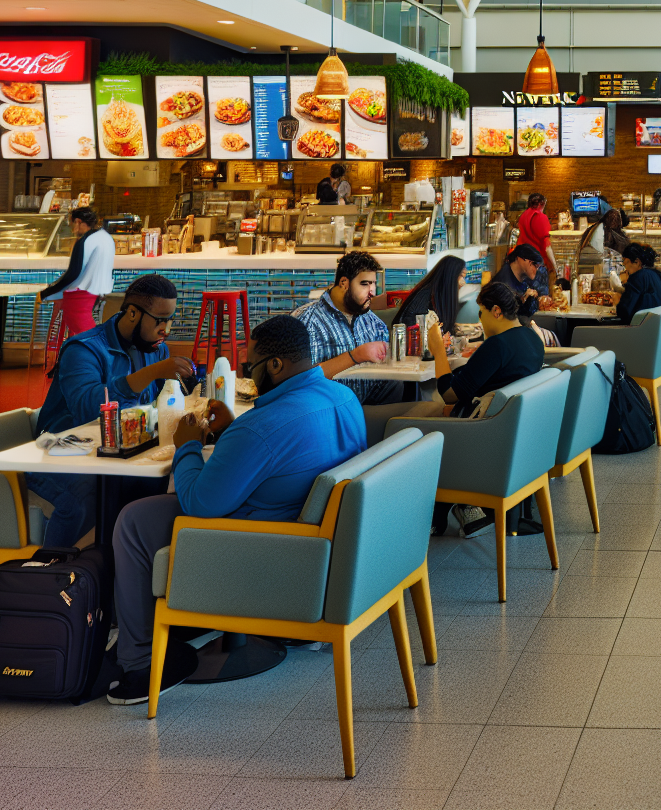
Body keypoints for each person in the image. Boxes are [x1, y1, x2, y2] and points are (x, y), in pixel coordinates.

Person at [105, 315, 365, 705]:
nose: (247, 373)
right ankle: (173, 626)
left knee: (133, 521)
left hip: (259, 550)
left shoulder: (262, 426)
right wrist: (230, 435)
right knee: (145, 517)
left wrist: (188, 444)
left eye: (250, 365)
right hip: (316, 545)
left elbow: (199, 504)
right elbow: (283, 460)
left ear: (275, 365)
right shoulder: (344, 397)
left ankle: (141, 663)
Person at [32, 274, 196, 547]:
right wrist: (152, 372)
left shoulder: (156, 349)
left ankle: (115, 570)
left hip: (118, 452)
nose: (165, 329)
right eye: (159, 320)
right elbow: (88, 409)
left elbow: (154, 408)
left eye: (170, 320)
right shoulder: (83, 349)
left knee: (152, 490)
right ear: (132, 313)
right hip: (59, 455)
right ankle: (50, 572)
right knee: (85, 498)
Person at [424, 281, 546, 536]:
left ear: (497, 312)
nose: (480, 320)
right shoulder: (531, 338)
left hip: (483, 435)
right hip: (513, 430)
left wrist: (438, 351)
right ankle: (460, 510)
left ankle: (438, 512)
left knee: (421, 418)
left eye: (481, 313)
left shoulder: (497, 346)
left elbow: (449, 394)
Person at [292, 250, 393, 406]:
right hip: (327, 413)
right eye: (365, 284)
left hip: (368, 406)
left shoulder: (374, 322)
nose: (372, 292)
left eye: (373, 284)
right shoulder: (307, 322)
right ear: (344, 283)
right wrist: (356, 356)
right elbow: (300, 379)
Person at [40, 207, 115, 338]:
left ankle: (91, 354)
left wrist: (48, 291)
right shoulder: (102, 237)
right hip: (95, 292)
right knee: (82, 332)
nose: (72, 227)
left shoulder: (85, 241)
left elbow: (74, 273)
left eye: (72, 223)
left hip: (81, 294)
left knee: (84, 333)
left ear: (78, 222)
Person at [393, 255, 468, 344]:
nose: (463, 282)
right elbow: (415, 333)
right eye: (461, 276)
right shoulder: (425, 295)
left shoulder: (440, 297)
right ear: (450, 276)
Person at [611, 242, 661, 324]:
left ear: (637, 262)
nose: (625, 268)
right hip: (656, 327)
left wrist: (617, 301)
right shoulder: (658, 275)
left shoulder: (638, 277)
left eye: (625, 262)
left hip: (640, 331)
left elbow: (623, 312)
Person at [498, 244, 550, 309]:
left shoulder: (520, 276)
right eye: (534, 265)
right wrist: (524, 299)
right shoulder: (505, 279)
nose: (536, 269)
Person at [516, 193, 553, 272]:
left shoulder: (523, 216)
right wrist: (556, 268)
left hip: (522, 261)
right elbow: (547, 248)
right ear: (541, 204)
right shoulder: (541, 217)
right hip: (537, 264)